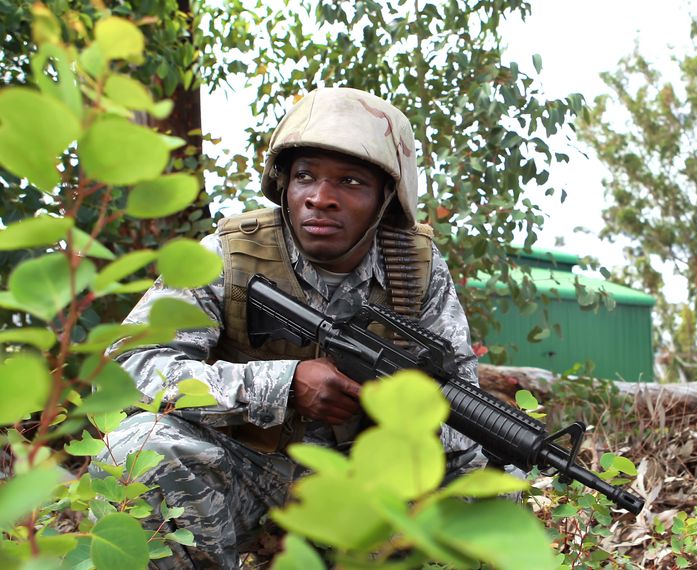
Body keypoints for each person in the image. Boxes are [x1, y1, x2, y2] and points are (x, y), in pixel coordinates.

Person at [98, 88, 482, 569]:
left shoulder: (416, 268)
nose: (321, 199)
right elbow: (127, 370)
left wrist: (400, 417)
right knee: (137, 450)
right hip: (247, 471)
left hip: (366, 481)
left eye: (350, 181)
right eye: (305, 177)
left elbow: (462, 397)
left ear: (387, 198)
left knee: (485, 477)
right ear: (283, 185)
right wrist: (279, 385)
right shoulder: (229, 256)